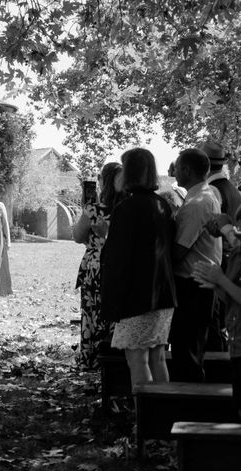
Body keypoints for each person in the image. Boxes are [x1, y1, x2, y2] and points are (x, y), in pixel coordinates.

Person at [101, 148, 177, 389]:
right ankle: (164, 415)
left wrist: (112, 301)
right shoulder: (162, 205)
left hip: (136, 296)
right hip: (163, 292)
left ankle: (146, 420)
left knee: (137, 359)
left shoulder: (126, 209)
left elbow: (117, 259)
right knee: (157, 356)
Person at [193, 198, 241, 422]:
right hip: (237, 345)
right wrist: (216, 285)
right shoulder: (239, 255)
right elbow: (233, 297)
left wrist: (221, 280)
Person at [169, 148, 222, 382]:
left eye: (177, 167)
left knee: (187, 351)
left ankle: (189, 408)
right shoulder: (208, 194)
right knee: (194, 347)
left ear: (187, 170)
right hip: (201, 282)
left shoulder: (196, 204)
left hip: (192, 285)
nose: (174, 171)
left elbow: (179, 250)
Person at [72, 162, 124, 368]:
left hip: (95, 265)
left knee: (92, 310)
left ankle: (91, 356)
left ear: (105, 182)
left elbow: (77, 236)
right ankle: (114, 354)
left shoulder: (93, 209)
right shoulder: (127, 209)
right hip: (119, 265)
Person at [202, 140, 241, 352]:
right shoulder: (232, 190)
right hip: (233, 257)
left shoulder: (212, 192)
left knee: (215, 324)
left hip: (223, 260)